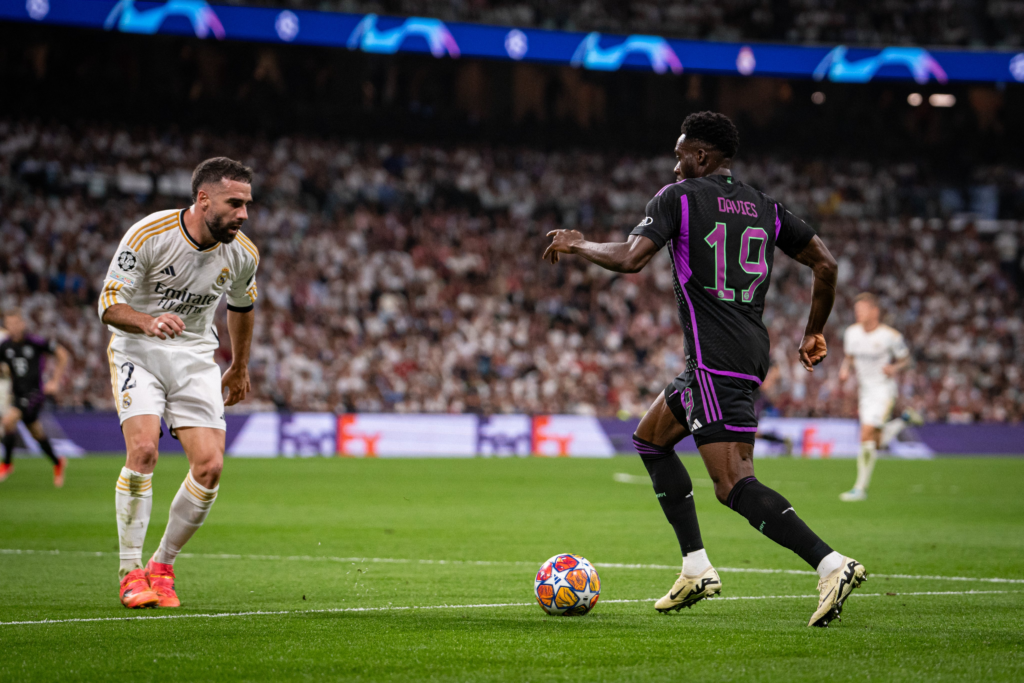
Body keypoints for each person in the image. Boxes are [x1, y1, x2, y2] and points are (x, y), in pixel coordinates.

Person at [543, 111, 866, 627]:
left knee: (733, 483)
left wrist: (577, 243)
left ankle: (831, 564)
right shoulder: (767, 208)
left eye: (680, 156)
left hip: (717, 358)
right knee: (650, 440)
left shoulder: (679, 198)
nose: (674, 168)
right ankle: (696, 567)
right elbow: (825, 262)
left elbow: (630, 258)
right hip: (734, 354)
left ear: (701, 156)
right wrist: (813, 330)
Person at [98, 157, 259, 609]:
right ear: (203, 199)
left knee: (210, 467)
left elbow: (241, 307)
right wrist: (147, 322)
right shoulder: (150, 234)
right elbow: (108, 303)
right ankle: (130, 572)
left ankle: (161, 567)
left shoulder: (242, 253)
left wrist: (239, 366)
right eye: (235, 203)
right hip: (138, 349)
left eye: (247, 204)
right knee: (144, 450)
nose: (243, 214)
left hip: (193, 357)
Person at [838, 292, 920, 501]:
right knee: (877, 442)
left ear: (875, 312)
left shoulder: (890, 336)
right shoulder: (852, 333)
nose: (858, 313)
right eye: (856, 310)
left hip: (884, 391)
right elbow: (849, 357)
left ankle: (859, 488)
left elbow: (907, 360)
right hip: (865, 391)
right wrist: (845, 369)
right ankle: (904, 421)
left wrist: (895, 367)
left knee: (866, 435)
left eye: (862, 310)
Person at [0, 309, 70, 486]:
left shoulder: (35, 342)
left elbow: (62, 354)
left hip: (34, 394)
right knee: (36, 433)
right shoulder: (5, 346)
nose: (13, 327)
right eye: (9, 324)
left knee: (8, 421)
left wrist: (55, 380)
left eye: (16, 323)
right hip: (17, 395)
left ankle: (7, 464)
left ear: (23, 323)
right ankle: (57, 461)